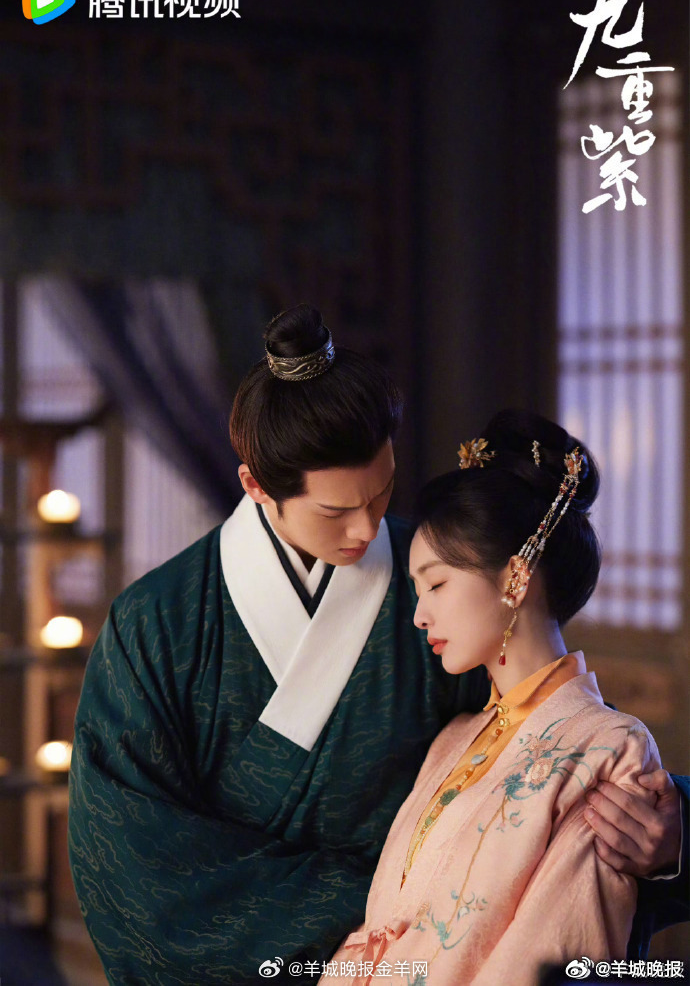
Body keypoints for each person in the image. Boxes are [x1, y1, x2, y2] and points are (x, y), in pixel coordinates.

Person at [68, 308, 687, 986]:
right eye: (335, 511)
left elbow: (562, 742)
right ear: (256, 486)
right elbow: (131, 871)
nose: (368, 530)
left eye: (383, 491)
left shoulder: (446, 584)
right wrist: (411, 918)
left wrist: (671, 829)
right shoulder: (154, 626)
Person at [322, 411, 687, 986]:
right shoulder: (453, 739)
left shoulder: (610, 750)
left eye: (437, 584)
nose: (419, 615)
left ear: (516, 578)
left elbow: (554, 953)